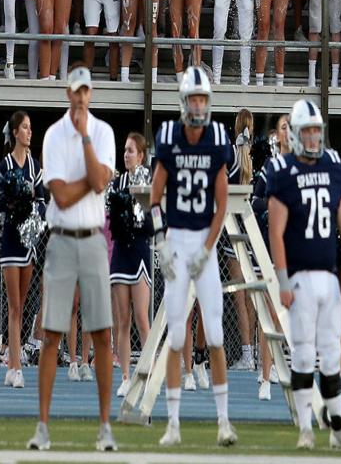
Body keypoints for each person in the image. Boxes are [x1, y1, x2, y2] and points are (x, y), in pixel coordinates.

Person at [266, 99, 341, 450]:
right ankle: (306, 429)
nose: (312, 138)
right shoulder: (282, 170)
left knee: (332, 353)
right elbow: (275, 232)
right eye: (306, 131)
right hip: (299, 277)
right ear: (294, 134)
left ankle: (337, 424)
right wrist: (281, 279)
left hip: (328, 274)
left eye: (315, 131)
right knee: (305, 354)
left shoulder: (333, 164)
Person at [150, 67, 238, 448]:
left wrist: (207, 248)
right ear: (184, 103)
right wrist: (160, 241)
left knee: (215, 333)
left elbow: (222, 205)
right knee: (175, 335)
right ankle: (172, 423)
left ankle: (223, 421)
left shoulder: (218, 139)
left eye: (203, 99)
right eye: (194, 99)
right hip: (177, 238)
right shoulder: (169, 138)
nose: (199, 106)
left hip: (203, 239)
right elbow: (155, 199)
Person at [28, 67, 116, 452]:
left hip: (93, 238)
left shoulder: (102, 132)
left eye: (86, 92)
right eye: (76, 92)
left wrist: (84, 141)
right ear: (67, 93)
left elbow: (97, 180)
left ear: (90, 94)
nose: (81, 98)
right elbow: (63, 196)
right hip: (63, 239)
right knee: (51, 334)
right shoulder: (51, 135)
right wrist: (92, 179)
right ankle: (43, 426)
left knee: (102, 334)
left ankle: (104, 426)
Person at [0, 110, 43, 389]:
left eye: (30, 127)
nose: (29, 132)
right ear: (15, 133)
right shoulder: (5, 165)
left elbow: (43, 201)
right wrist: (12, 202)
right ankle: (16, 366)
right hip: (10, 240)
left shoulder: (35, 166)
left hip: (28, 242)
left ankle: (13, 361)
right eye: (25, 127)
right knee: (14, 305)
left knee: (22, 304)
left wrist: (32, 207)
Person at [109, 130, 152, 397]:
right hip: (120, 254)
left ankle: (147, 373)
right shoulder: (116, 182)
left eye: (131, 150)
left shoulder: (148, 181)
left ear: (142, 155)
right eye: (124, 150)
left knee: (141, 317)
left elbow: (153, 222)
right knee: (121, 320)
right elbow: (111, 219)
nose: (126, 155)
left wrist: (135, 220)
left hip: (139, 251)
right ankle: (125, 376)